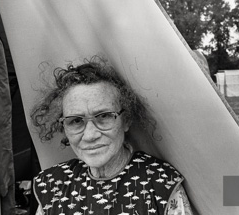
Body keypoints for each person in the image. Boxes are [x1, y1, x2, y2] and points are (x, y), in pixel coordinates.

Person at [30, 58, 194, 215]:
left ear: (126, 120)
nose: (90, 135)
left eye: (104, 116)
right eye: (76, 121)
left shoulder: (159, 182)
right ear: (63, 127)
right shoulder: (52, 184)